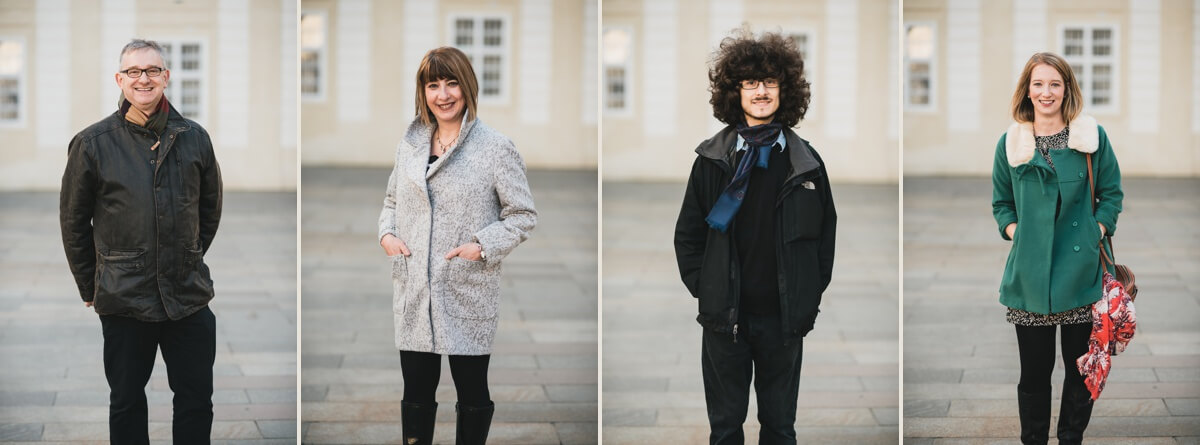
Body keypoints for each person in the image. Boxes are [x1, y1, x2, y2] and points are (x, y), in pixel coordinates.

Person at [673, 30, 836, 444]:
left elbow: (825, 239)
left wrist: (806, 296)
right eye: (750, 83)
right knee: (725, 430)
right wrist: (707, 289)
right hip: (725, 320)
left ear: (786, 89)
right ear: (735, 91)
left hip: (783, 321)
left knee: (780, 429)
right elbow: (688, 235)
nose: (760, 91)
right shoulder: (712, 160)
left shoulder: (807, 163)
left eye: (769, 82)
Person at [60, 38, 222, 444]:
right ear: (120, 79)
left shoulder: (195, 137)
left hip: (187, 297)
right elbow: (74, 222)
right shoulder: (92, 144)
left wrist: (186, 257)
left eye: (152, 70)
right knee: (127, 400)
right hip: (123, 298)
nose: (143, 79)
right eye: (134, 71)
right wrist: (90, 285)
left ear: (166, 77)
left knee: (196, 399)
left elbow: (209, 209)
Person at [378, 46, 537, 445]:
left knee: (472, 391)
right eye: (433, 85)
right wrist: (387, 235)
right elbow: (391, 202)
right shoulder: (410, 143)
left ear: (467, 88)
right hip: (415, 289)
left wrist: (481, 246)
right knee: (415, 390)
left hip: (467, 289)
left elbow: (522, 214)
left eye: (451, 83)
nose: (443, 94)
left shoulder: (495, 147)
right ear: (423, 92)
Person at [992, 52, 1123, 445]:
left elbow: (1112, 194)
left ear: (1066, 89)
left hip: (1081, 274)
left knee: (1080, 369)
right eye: (1038, 84)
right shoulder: (1011, 143)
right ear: (1027, 91)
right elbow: (1002, 203)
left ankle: (1070, 439)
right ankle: (1033, 440)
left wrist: (1097, 230)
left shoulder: (1090, 139)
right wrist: (1017, 232)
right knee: (1033, 373)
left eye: (1054, 84)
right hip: (1029, 278)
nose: (1045, 92)